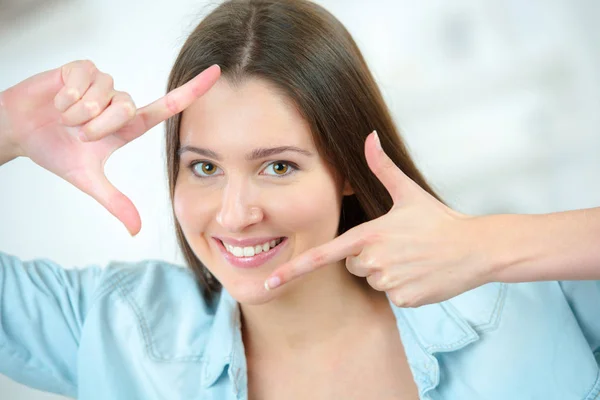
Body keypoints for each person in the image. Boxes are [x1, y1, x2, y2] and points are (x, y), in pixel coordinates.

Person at [1, 0, 599, 399]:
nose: (236, 214)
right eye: (204, 167)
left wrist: (487, 244)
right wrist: (8, 126)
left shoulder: (519, 300)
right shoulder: (116, 328)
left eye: (278, 166)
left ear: (344, 167)